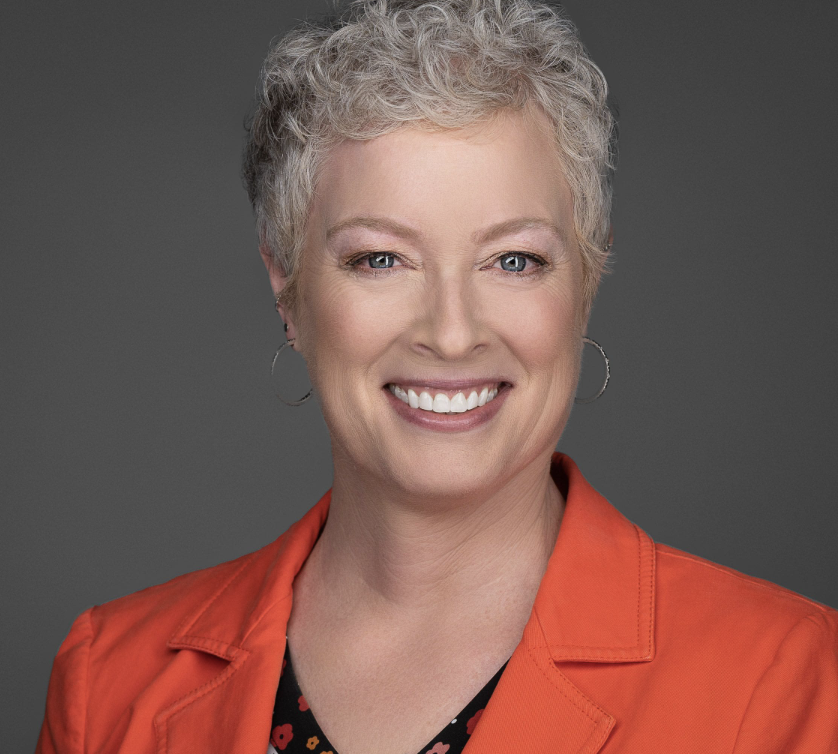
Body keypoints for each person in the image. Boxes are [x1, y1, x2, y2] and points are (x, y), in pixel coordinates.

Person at [36, 0, 838, 752]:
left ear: (586, 281)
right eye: (380, 259)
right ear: (287, 285)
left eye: (514, 260)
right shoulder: (109, 681)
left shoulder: (791, 681)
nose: (451, 334)